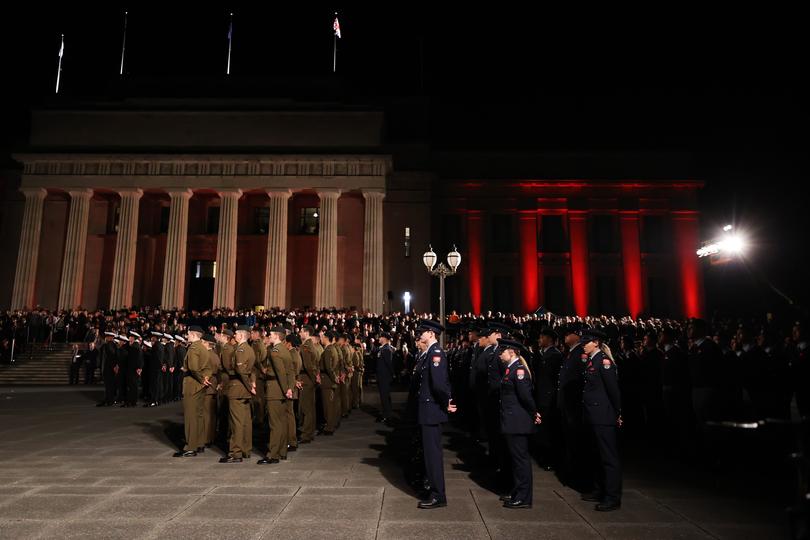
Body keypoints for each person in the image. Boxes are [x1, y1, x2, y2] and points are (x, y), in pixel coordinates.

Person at [414, 319, 457, 509]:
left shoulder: (436, 353)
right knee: (429, 454)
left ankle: (438, 495)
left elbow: (439, 384)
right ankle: (433, 488)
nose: (420, 334)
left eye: (423, 331)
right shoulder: (429, 353)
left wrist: (446, 402)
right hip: (428, 410)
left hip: (432, 410)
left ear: (431, 334)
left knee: (433, 455)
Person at [497, 338, 542, 508]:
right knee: (516, 460)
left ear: (512, 352)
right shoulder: (511, 369)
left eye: (503, 351)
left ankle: (524, 497)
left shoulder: (518, 370)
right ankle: (518, 492)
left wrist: (534, 413)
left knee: (521, 460)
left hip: (518, 421)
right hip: (512, 420)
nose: (500, 353)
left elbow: (525, 397)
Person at [580, 330, 622, 511]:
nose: (583, 344)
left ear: (596, 342)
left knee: (608, 458)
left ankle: (612, 497)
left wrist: (618, 412)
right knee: (596, 455)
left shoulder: (603, 361)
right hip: (593, 414)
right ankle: (599, 490)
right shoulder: (592, 360)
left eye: (586, 342)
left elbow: (613, 390)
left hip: (603, 416)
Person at [258, 326, 293, 464]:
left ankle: (273, 454)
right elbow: (290, 371)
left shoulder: (275, 352)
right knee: (282, 422)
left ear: (277, 336)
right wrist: (289, 388)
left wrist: (285, 389)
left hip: (275, 390)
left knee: (275, 424)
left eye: (271, 334)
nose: (269, 335)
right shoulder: (284, 350)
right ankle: (282, 451)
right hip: (283, 390)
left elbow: (280, 372)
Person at [174, 326, 211, 458]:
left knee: (191, 417)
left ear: (193, 335)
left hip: (193, 385)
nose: (187, 335)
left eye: (188, 333)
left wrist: (200, 378)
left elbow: (194, 368)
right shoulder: (203, 347)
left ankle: (190, 447)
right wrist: (205, 378)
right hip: (200, 386)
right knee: (199, 415)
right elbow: (208, 366)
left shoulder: (194, 347)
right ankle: (200, 443)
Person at [298, 325, 322, 444]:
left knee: (306, 408)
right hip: (310, 379)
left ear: (306, 333)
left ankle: (306, 434)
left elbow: (308, 366)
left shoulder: (306, 346)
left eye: (301, 331)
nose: (299, 333)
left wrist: (314, 379)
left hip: (306, 379)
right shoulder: (311, 346)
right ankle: (310, 432)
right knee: (310, 408)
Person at [376, 332, 395, 424]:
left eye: (380, 337)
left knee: (385, 397)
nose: (379, 338)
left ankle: (387, 415)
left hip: (385, 377)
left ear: (384, 338)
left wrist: (392, 375)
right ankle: (386, 413)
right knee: (384, 397)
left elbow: (389, 364)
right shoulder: (383, 349)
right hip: (382, 376)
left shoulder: (386, 349)